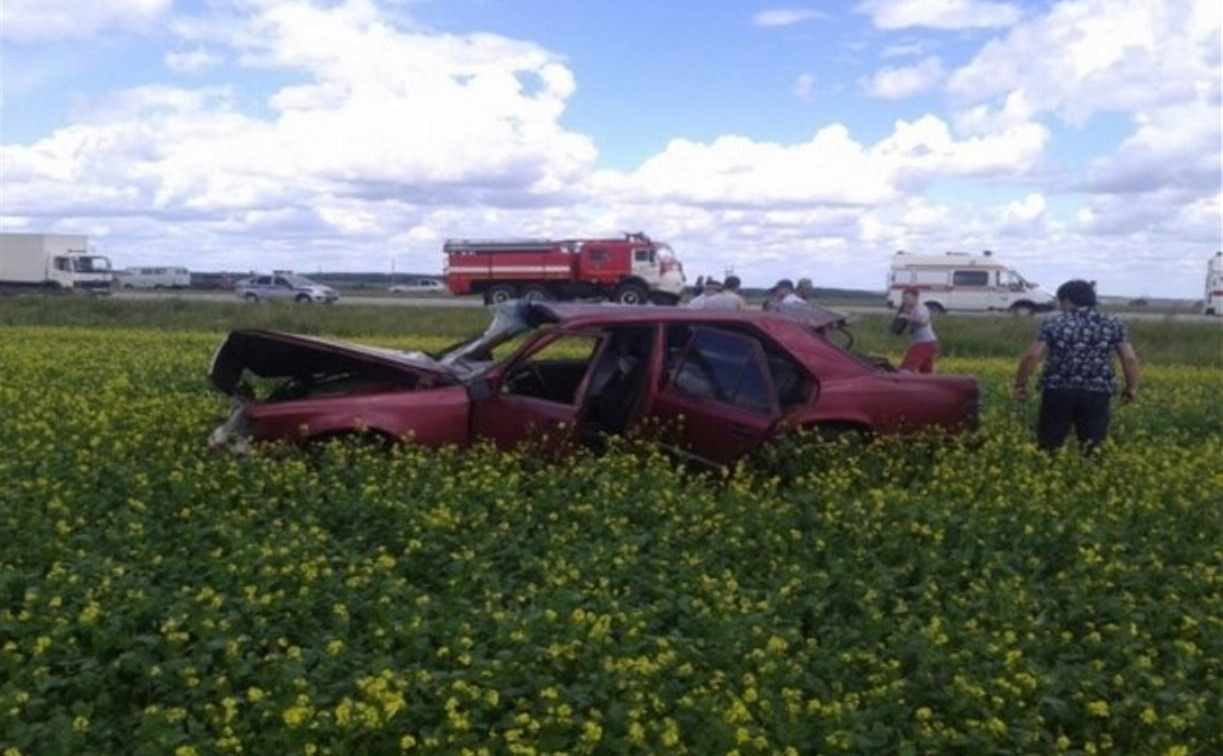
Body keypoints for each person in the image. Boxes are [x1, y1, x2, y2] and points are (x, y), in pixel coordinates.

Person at [1013, 279, 1139, 453]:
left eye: (1059, 300)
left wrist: (1021, 383)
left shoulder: (1053, 323)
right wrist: (1131, 388)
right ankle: (1090, 475)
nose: (1059, 305)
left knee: (1049, 444)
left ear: (1067, 300)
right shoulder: (1114, 323)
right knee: (1092, 446)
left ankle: (1047, 473)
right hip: (1097, 391)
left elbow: (1033, 355)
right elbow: (1129, 358)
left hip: (1058, 390)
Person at [895, 287, 939, 373]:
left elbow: (923, 321)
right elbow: (913, 327)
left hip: (925, 343)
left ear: (915, 297)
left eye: (907, 298)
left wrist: (906, 317)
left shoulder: (921, 308)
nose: (905, 301)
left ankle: (901, 385)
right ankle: (927, 385)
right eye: (903, 298)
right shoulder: (911, 309)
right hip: (928, 343)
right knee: (926, 371)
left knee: (906, 368)